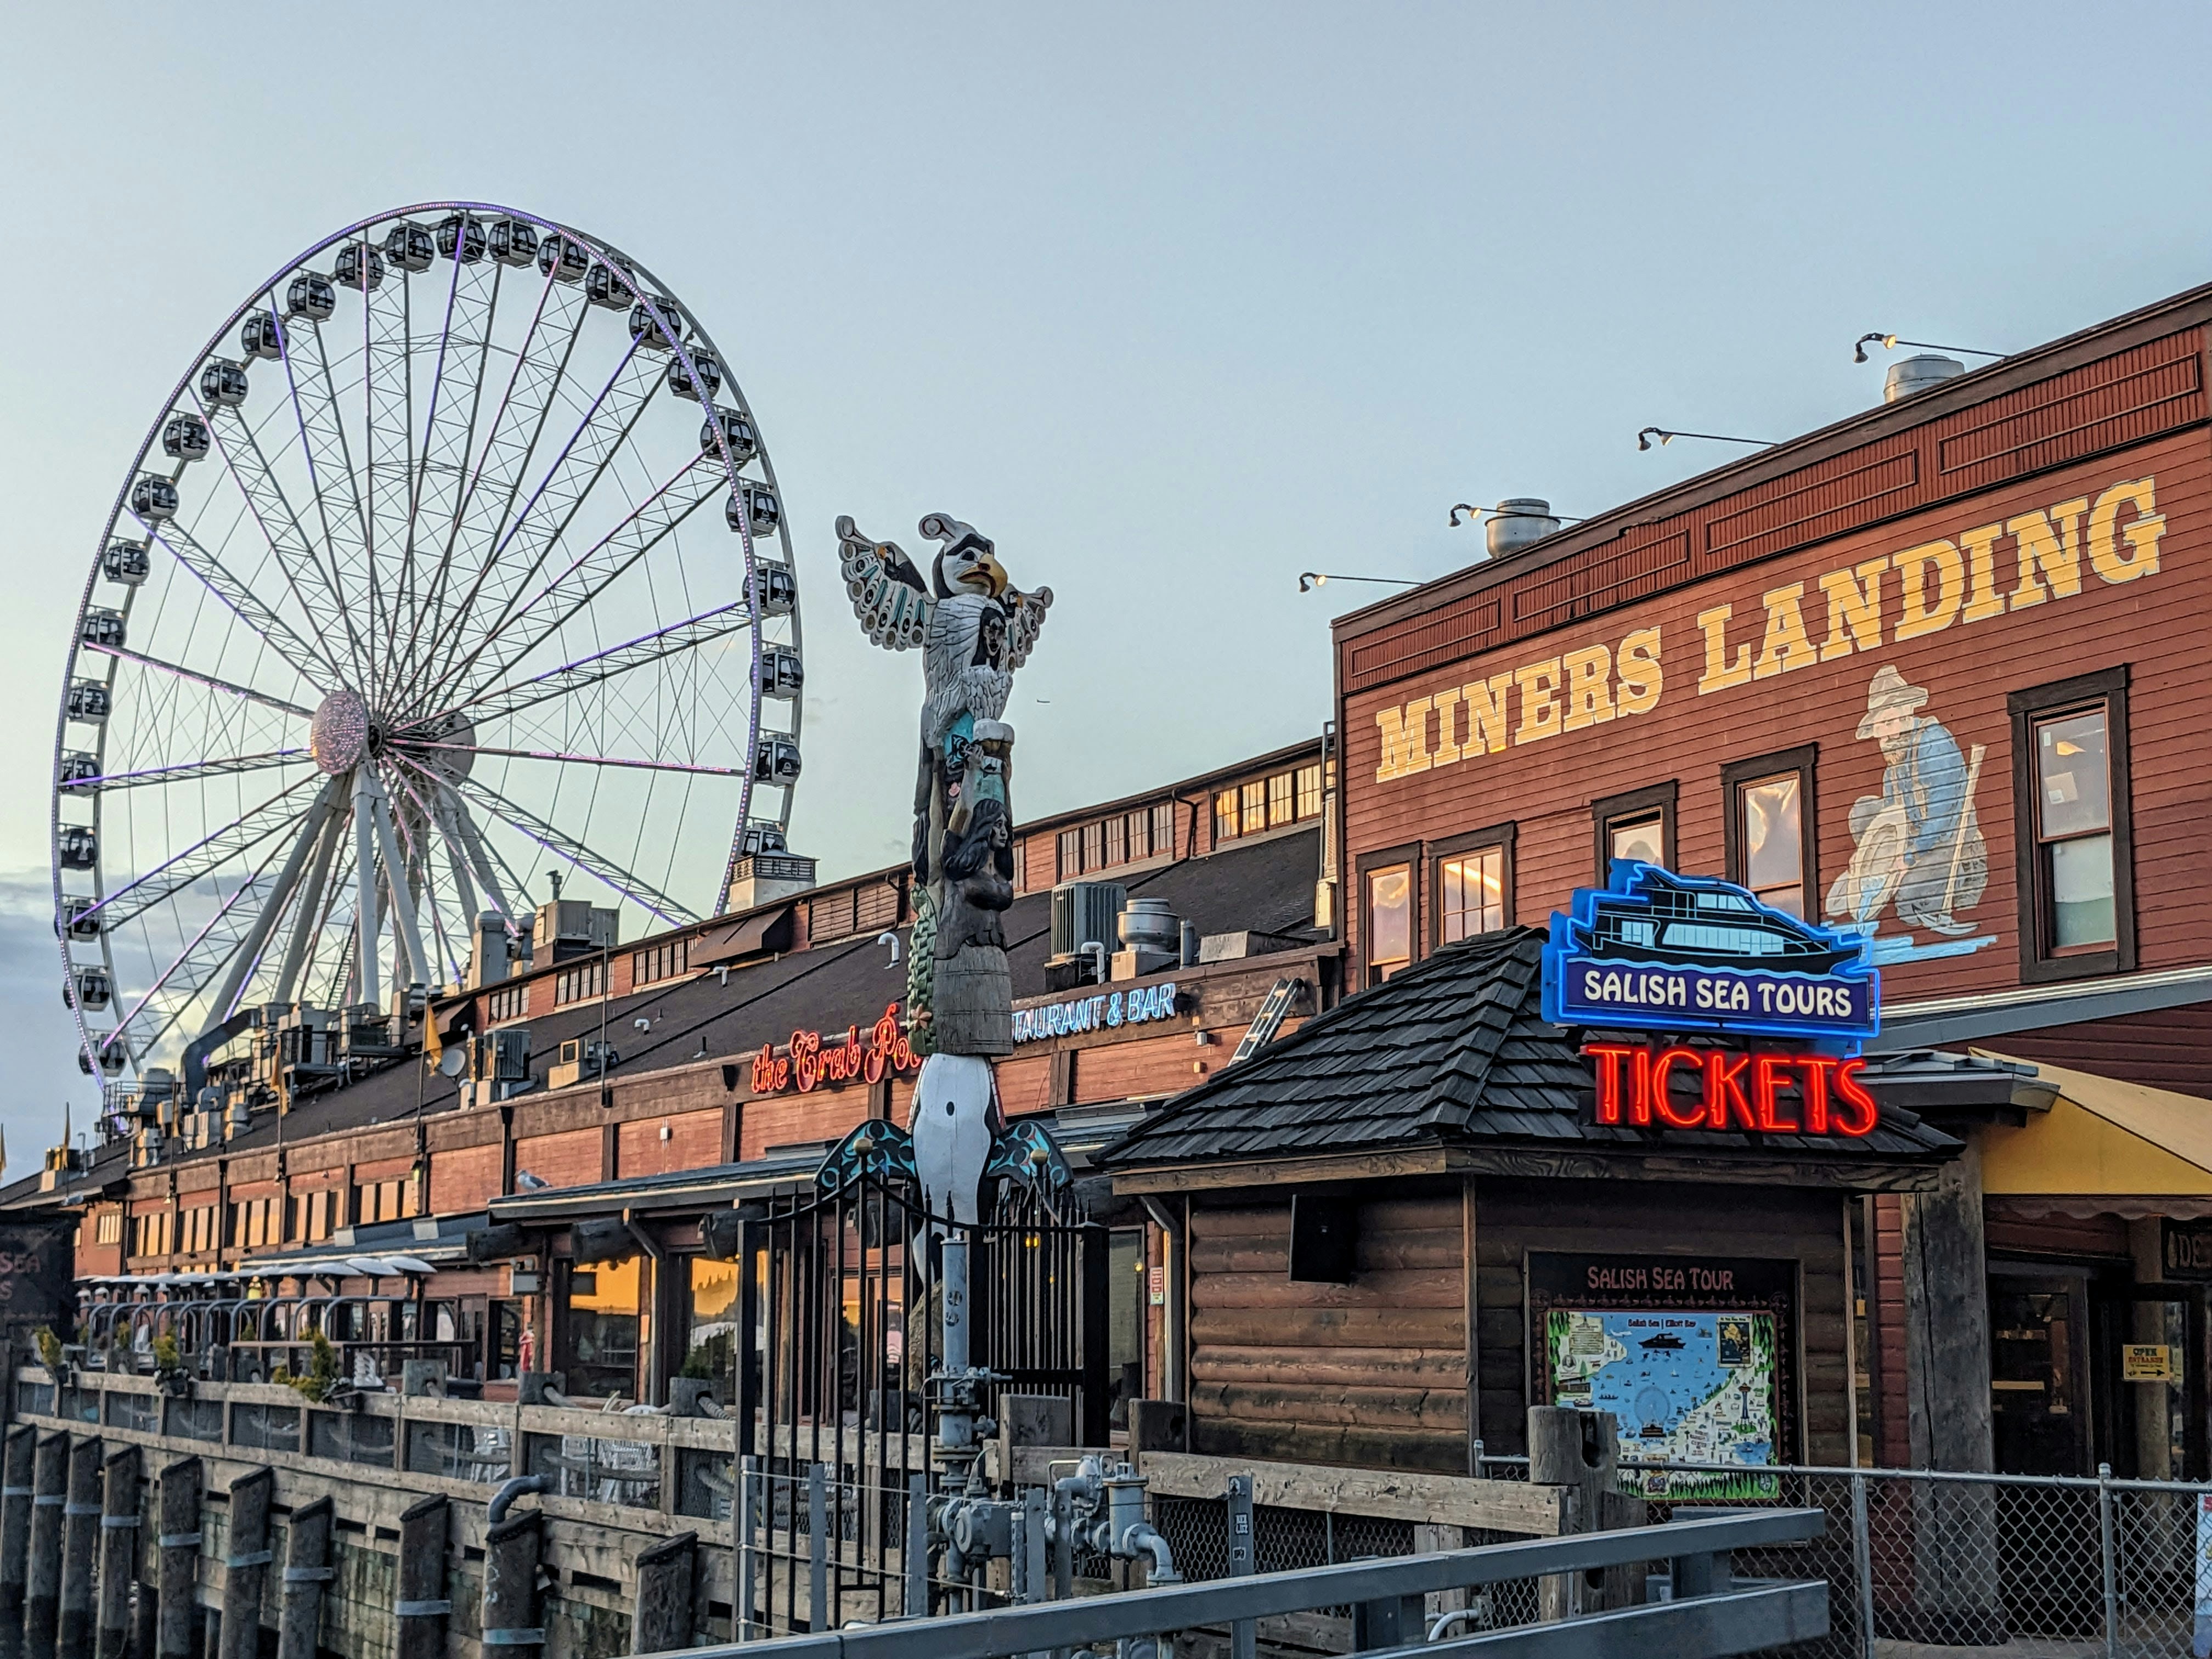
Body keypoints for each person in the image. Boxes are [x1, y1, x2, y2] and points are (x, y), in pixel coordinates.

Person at [1826, 665, 1986, 933]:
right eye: (1880, 728)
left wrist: (1910, 858)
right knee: (1863, 810)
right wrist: (1874, 857)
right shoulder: (1894, 768)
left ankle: (1952, 884)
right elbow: (1892, 821)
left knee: (1908, 908)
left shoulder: (1933, 743)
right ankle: (1866, 878)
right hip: (1916, 843)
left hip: (1948, 842)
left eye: (1888, 723)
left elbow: (1941, 814)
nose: (1884, 736)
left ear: (1905, 713)